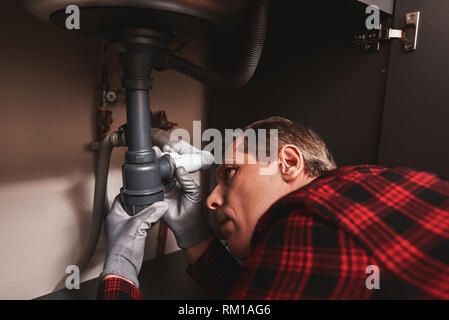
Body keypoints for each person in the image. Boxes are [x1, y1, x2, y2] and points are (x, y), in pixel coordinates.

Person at [97, 116, 449, 299]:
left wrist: (120, 268)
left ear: (289, 163)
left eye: (231, 173)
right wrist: (193, 235)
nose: (210, 200)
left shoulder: (311, 221)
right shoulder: (366, 182)